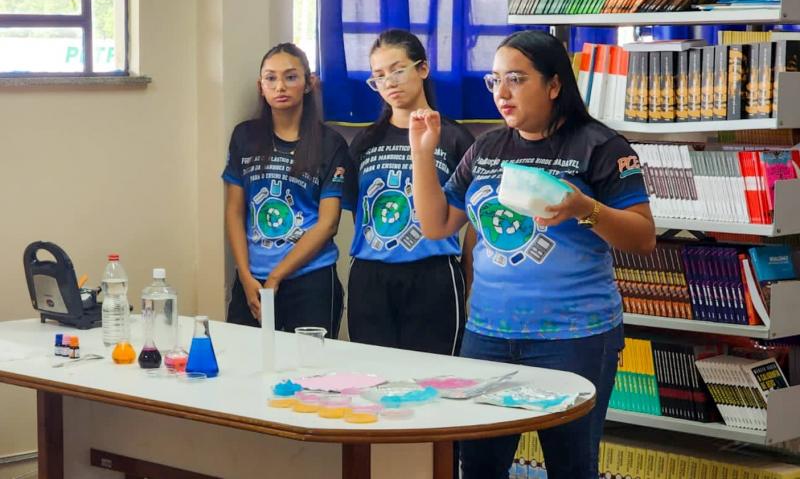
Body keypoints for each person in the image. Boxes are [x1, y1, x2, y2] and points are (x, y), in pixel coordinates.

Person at [409, 30, 656, 478]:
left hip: (575, 338)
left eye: (517, 80)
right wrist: (422, 154)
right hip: (487, 334)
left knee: (571, 467)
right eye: (495, 80)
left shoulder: (600, 146)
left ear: (554, 85)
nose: (502, 93)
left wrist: (586, 209)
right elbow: (436, 224)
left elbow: (643, 237)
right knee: (479, 465)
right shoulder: (487, 148)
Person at [344, 29, 475, 355]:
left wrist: (468, 277)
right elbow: (355, 209)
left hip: (433, 274)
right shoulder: (364, 142)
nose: (389, 81)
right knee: (372, 379)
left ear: (423, 69)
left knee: (436, 380)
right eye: (378, 76)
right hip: (370, 276)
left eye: (397, 70)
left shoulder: (454, 137)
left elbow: (475, 218)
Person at [223, 42, 353, 338]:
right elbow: (234, 210)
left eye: (291, 77)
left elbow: (328, 223)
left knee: (308, 376)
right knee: (243, 368)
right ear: (261, 86)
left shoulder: (330, 143)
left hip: (310, 279)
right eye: (271, 78)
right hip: (252, 279)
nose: (280, 86)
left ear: (308, 83)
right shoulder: (245, 136)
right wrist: (244, 274)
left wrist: (277, 276)